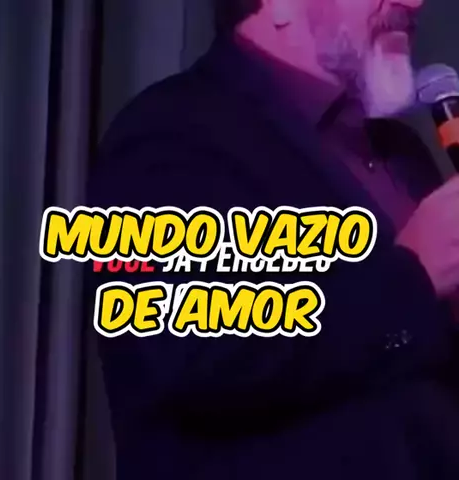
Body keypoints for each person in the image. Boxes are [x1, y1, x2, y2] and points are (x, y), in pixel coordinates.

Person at [87, 0, 459, 478]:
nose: (414, 0)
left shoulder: (401, 150)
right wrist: (414, 278)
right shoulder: (167, 133)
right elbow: (194, 348)